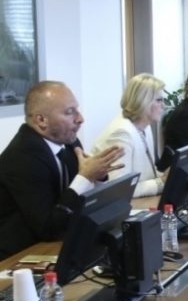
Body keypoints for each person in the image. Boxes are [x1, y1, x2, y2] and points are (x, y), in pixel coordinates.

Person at [0, 81, 124, 260]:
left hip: (57, 246)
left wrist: (98, 176)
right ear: (41, 120)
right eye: (69, 112)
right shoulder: (21, 157)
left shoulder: (69, 143)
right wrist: (85, 177)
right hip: (17, 258)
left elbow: (76, 203)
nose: (80, 118)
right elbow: (49, 228)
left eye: (77, 110)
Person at [92, 73, 167, 198]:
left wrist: (166, 176)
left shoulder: (145, 126)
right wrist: (161, 183)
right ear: (143, 101)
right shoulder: (121, 133)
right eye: (159, 100)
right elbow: (121, 189)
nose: (164, 106)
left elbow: (147, 173)